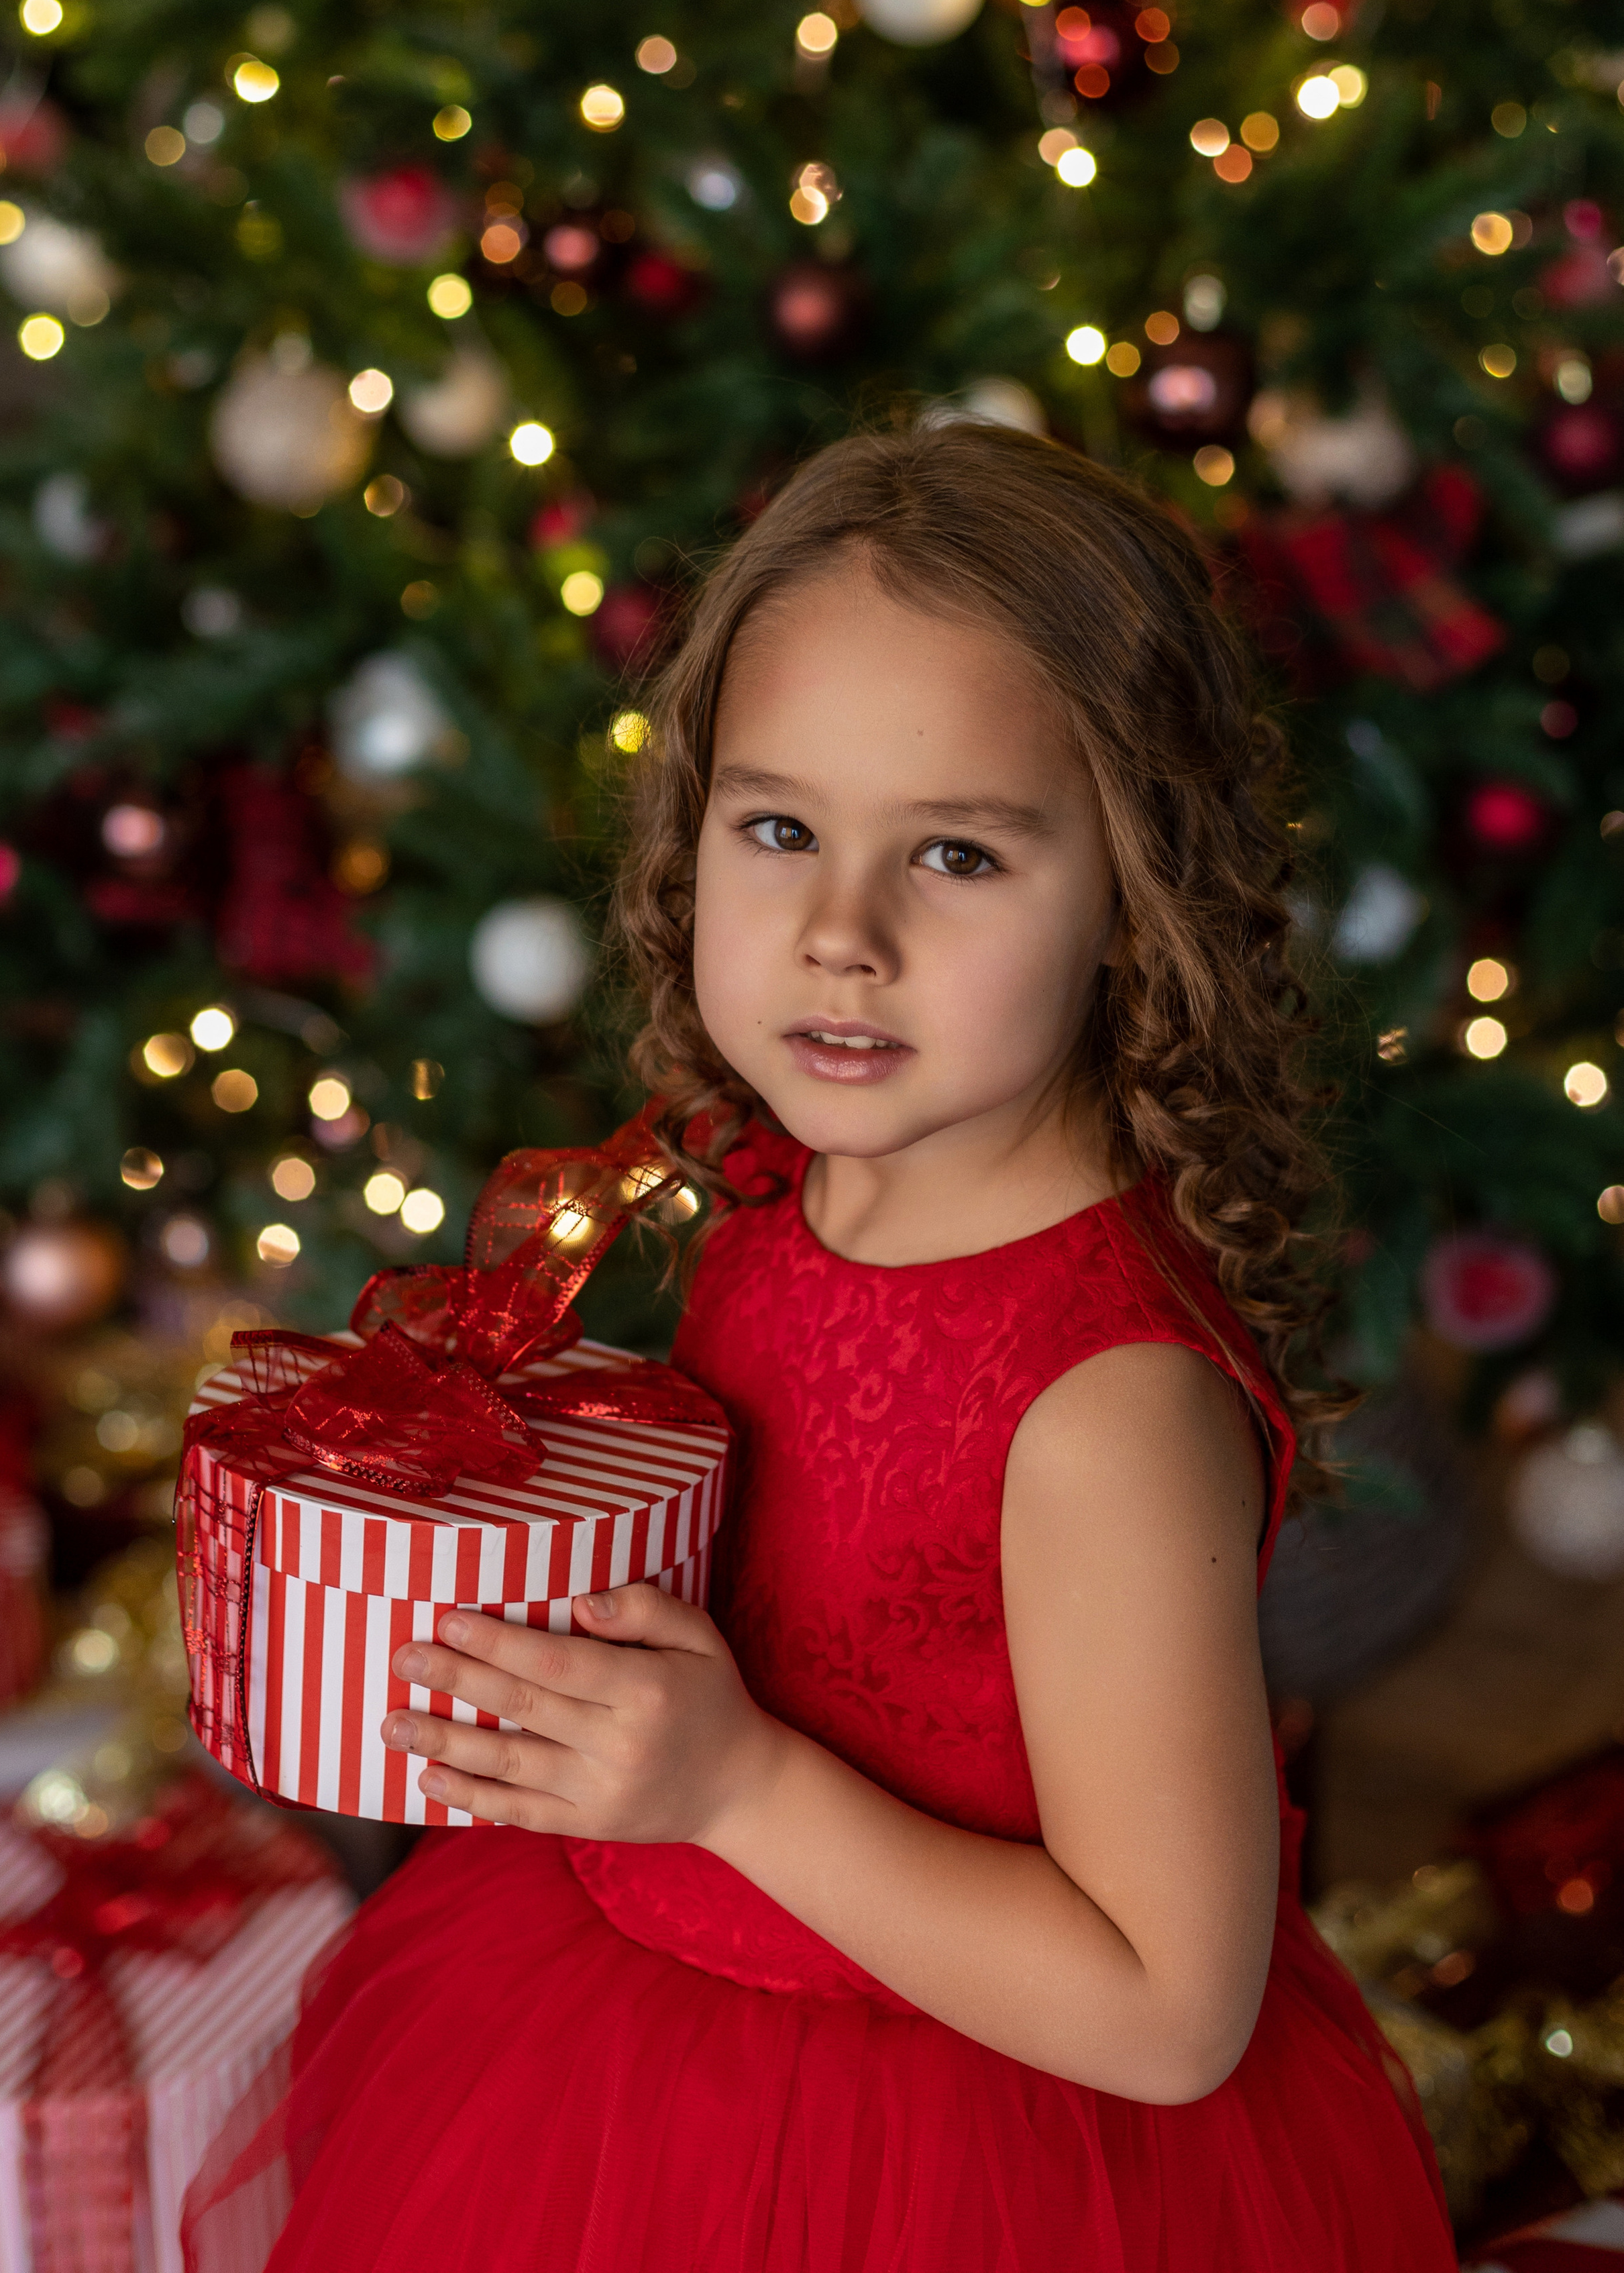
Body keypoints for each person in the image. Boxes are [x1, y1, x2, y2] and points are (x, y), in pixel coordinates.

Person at [185, 421, 1457, 2272]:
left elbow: (1172, 2013)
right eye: (779, 828)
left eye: (955, 852)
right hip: (624, 2028)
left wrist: (733, 1789)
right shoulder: (793, 1184)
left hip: (975, 2157)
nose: (841, 937)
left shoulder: (1109, 1407)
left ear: (1130, 890)